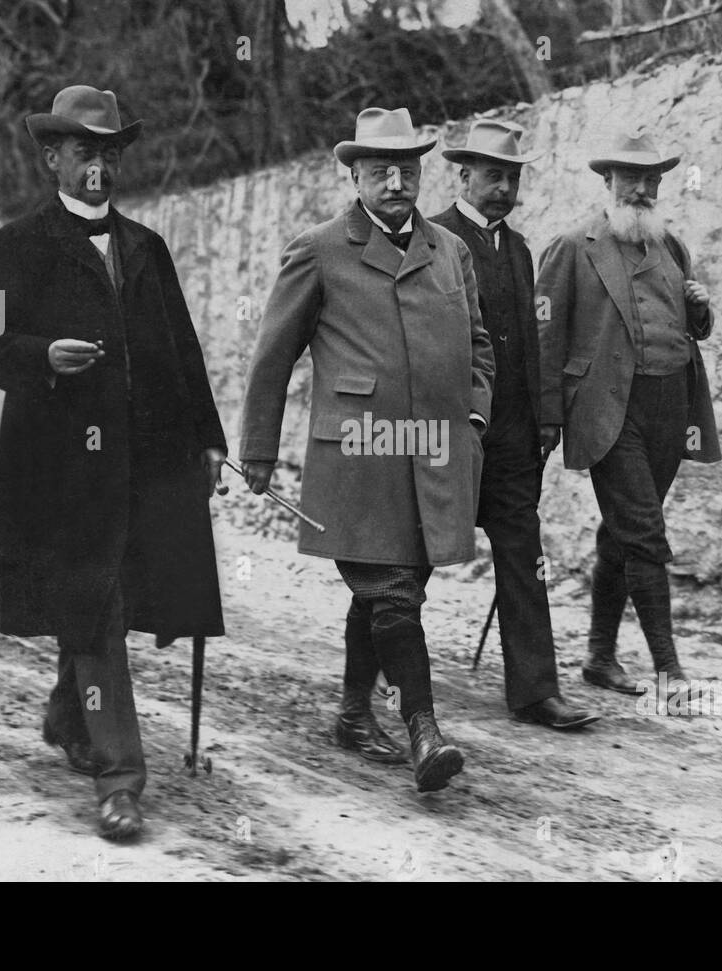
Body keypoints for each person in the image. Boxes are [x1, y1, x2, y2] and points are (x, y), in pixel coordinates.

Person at [0, 85, 227, 840]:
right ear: (53, 157)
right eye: (86, 151)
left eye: (110, 153)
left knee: (105, 596)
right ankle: (121, 777)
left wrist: (208, 439)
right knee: (98, 605)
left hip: (143, 464)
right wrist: (42, 354)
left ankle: (65, 713)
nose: (99, 168)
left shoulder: (146, 247)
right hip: (59, 469)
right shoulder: (18, 243)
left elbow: (183, 349)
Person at [240, 107, 494, 792]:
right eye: (380, 168)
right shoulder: (320, 248)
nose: (396, 179)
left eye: (407, 167)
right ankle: (424, 728)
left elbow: (479, 346)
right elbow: (273, 357)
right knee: (391, 594)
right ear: (354, 175)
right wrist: (258, 452)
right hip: (360, 454)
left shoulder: (451, 250)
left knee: (391, 592)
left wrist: (474, 417)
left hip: (437, 457)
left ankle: (354, 712)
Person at [535, 128, 721, 697]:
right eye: (630, 177)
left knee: (623, 532)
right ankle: (670, 671)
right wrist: (546, 418)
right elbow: (545, 335)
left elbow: (692, 332)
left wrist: (702, 312)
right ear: (607, 181)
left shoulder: (672, 248)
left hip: (671, 406)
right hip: (606, 409)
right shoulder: (574, 247)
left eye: (651, 178)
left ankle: (598, 657)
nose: (641, 188)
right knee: (644, 532)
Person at [430, 120, 597, 730]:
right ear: (463, 175)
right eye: (492, 175)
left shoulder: (521, 250)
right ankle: (384, 682)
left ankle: (535, 690)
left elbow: (535, 343)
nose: (503, 188)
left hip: (513, 437)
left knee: (524, 556)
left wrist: (544, 419)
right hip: (449, 433)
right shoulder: (432, 239)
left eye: (513, 177)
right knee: (413, 557)